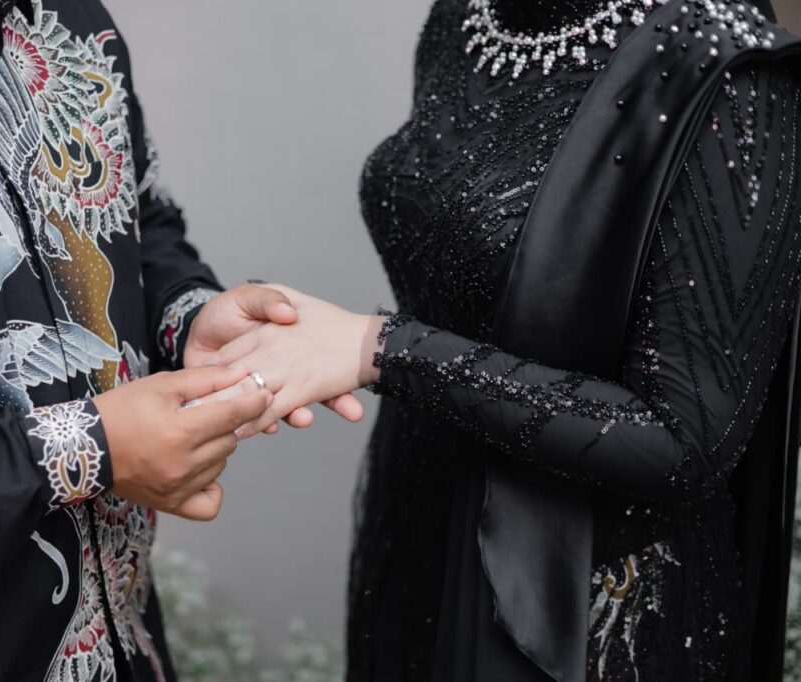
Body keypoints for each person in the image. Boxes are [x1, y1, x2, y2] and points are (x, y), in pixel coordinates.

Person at [205, 0, 801, 679]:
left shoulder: (729, 77)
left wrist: (385, 350)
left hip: (582, 598)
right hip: (421, 524)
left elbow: (682, 441)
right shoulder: (465, 17)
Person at [0, 0, 363, 679]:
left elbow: (141, 222)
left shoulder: (67, 22)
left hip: (129, 644)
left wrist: (190, 318)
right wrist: (86, 450)